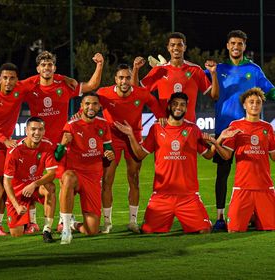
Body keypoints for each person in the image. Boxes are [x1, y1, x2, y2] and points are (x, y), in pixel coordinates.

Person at [23, 50, 104, 231]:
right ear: (38, 68)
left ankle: (63, 220)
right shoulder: (30, 86)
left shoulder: (64, 85)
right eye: (43, 65)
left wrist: (99, 64)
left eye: (50, 65)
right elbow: (10, 87)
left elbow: (92, 85)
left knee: (62, 181)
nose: (46, 68)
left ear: (54, 68)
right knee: (29, 177)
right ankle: (31, 221)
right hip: (37, 143)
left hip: (60, 144)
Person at [204, 30, 275, 230]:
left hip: (251, 129)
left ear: (244, 46)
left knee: (256, 170)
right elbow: (194, 80)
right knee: (223, 172)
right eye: (233, 43)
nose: (236, 46)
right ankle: (220, 217)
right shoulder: (218, 69)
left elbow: (270, 91)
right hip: (225, 128)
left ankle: (254, 212)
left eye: (240, 43)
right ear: (227, 45)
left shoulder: (254, 69)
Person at [114, 92, 214, 234]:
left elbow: (209, 155)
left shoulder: (193, 129)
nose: (178, 107)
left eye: (182, 105)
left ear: (186, 108)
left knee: (204, 230)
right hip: (162, 195)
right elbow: (140, 154)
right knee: (148, 231)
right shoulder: (156, 129)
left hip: (188, 195)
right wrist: (130, 135)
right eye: (175, 104)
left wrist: (215, 143)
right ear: (169, 106)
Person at [96, 64, 166, 234]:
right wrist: (79, 114)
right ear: (115, 79)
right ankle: (107, 223)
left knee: (134, 178)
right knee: (107, 180)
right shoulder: (104, 93)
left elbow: (154, 102)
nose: (124, 81)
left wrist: (161, 116)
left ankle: (133, 222)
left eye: (127, 77)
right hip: (111, 139)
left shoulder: (140, 93)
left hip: (133, 138)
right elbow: (89, 103)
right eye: (121, 78)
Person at [210, 87, 275, 232]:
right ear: (244, 105)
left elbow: (273, 156)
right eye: (251, 102)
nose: (254, 105)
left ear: (261, 105)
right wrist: (217, 142)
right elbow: (226, 155)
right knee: (234, 229)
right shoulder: (235, 126)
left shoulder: (267, 128)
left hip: (264, 188)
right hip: (242, 188)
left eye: (258, 102)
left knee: (270, 227)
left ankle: (254, 215)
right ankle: (250, 215)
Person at [56, 92, 114, 244]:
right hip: (76, 174)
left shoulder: (103, 125)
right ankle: (66, 229)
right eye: (87, 103)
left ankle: (73, 224)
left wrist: (110, 154)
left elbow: (109, 149)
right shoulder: (71, 125)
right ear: (81, 106)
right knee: (68, 177)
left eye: (94, 104)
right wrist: (62, 144)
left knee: (92, 230)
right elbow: (57, 156)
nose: (91, 107)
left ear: (99, 106)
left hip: (93, 178)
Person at [132, 32, 219, 122]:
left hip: (189, 128)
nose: (176, 48)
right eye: (172, 45)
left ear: (184, 47)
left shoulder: (195, 70)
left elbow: (215, 96)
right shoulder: (159, 70)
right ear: (168, 48)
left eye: (179, 45)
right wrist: (135, 69)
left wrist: (213, 73)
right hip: (166, 127)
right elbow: (135, 91)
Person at [0, 63, 36, 235]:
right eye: (5, 78)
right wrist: (4, 139)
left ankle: (26, 222)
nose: (8, 81)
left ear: (17, 80)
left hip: (4, 145)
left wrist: (65, 79)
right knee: (6, 184)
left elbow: (39, 77)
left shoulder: (20, 88)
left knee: (11, 183)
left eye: (12, 78)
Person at [3, 117, 57, 242]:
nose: (37, 133)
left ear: (44, 131)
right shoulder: (14, 151)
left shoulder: (47, 145)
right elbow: (7, 182)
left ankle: (47, 230)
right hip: (18, 192)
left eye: (40, 129)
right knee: (17, 234)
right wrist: (16, 206)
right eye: (33, 129)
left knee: (51, 187)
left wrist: (34, 184)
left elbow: (51, 173)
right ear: (26, 130)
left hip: (35, 186)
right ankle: (28, 222)